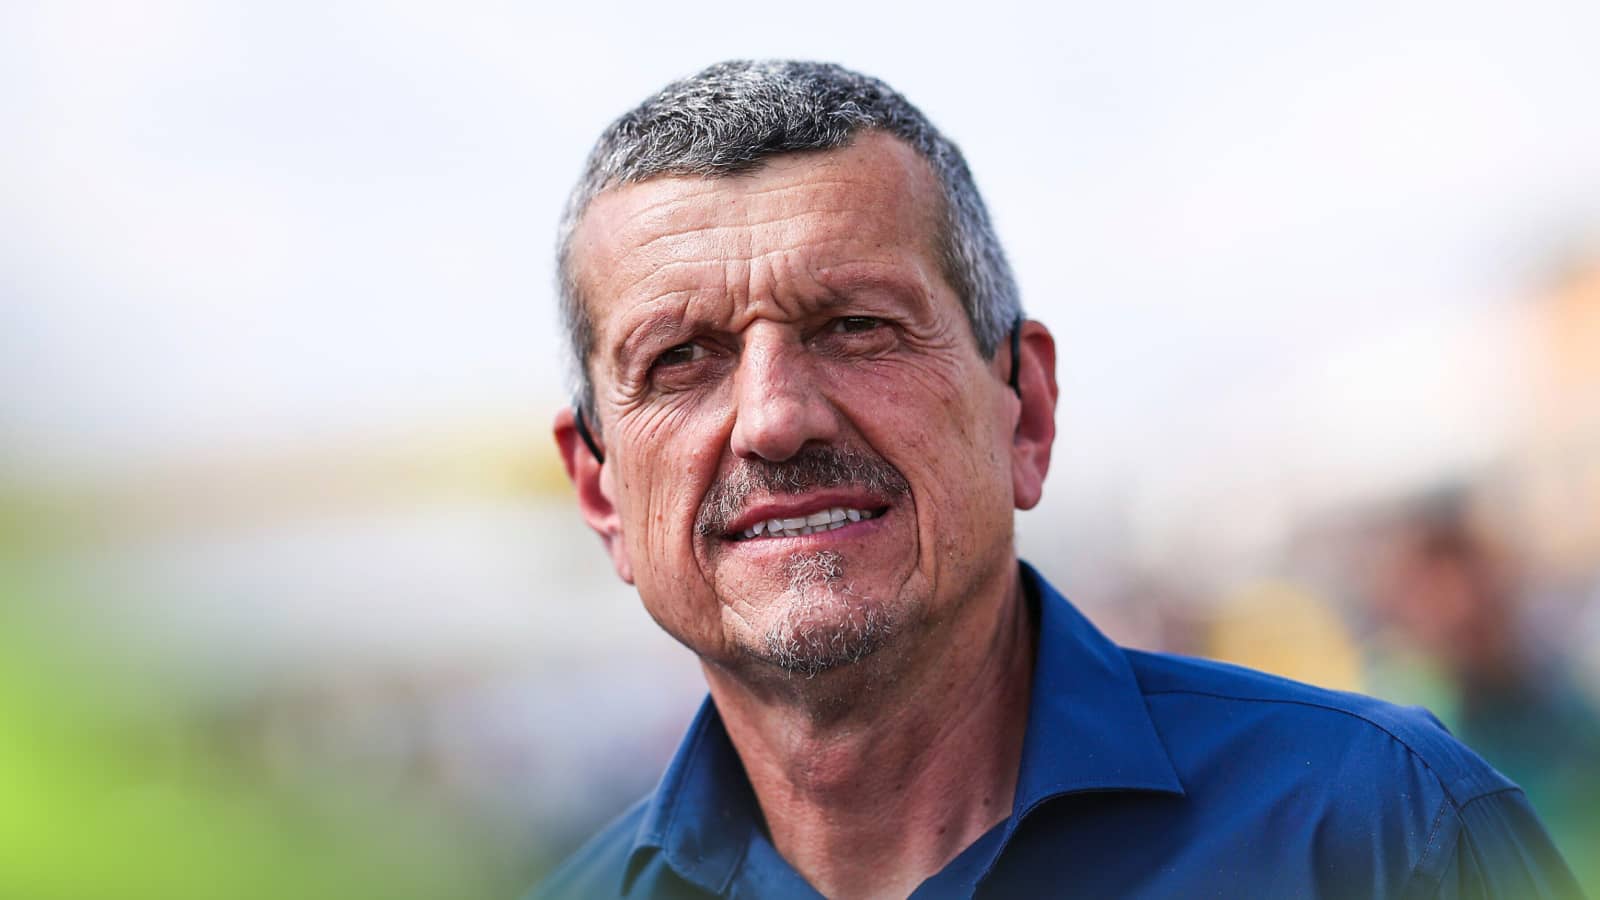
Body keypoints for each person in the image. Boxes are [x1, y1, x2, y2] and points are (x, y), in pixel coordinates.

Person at [538, 60, 1581, 899]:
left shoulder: (1381, 832)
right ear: (600, 492)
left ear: (1024, 411)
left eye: (855, 326)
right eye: (679, 358)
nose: (773, 417)